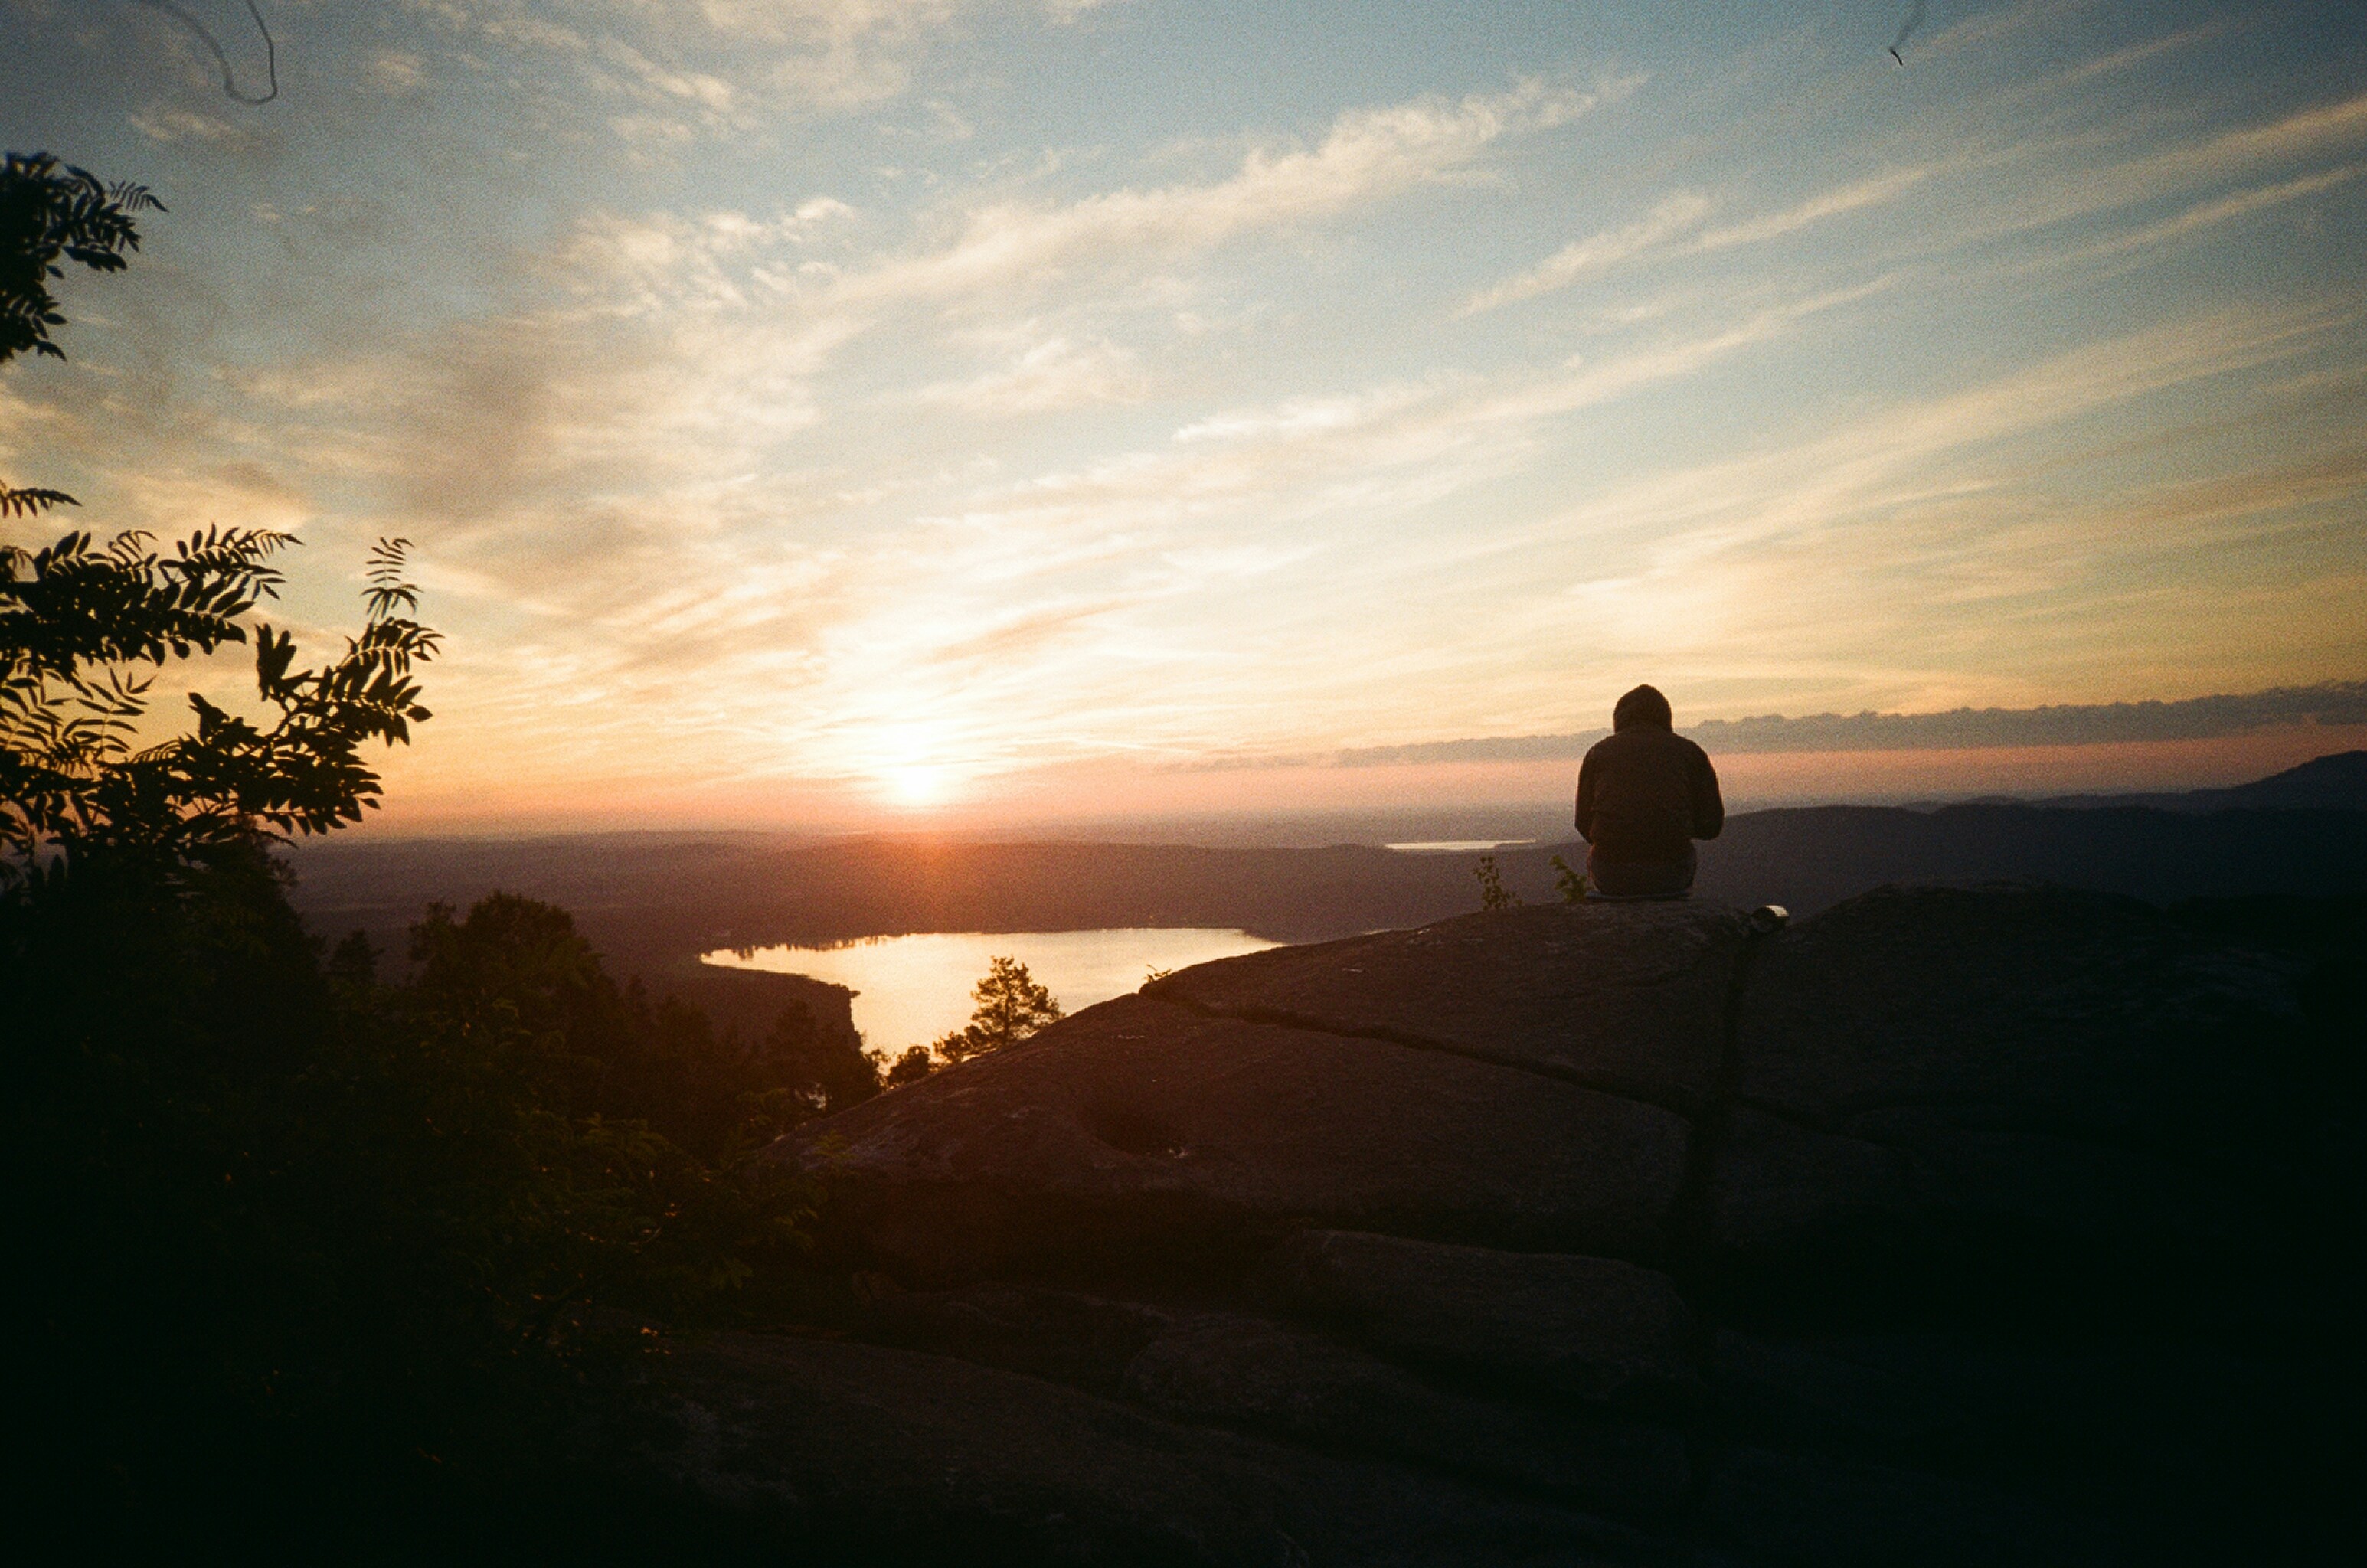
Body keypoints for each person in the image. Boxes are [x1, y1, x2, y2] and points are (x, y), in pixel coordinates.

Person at [1575, 684, 1723, 898]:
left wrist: (1619, 841)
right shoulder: (1690, 752)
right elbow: (1711, 825)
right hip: (1671, 875)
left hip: (1612, 876)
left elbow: (1582, 822)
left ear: (1619, 719)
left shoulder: (1598, 753)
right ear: (1666, 717)